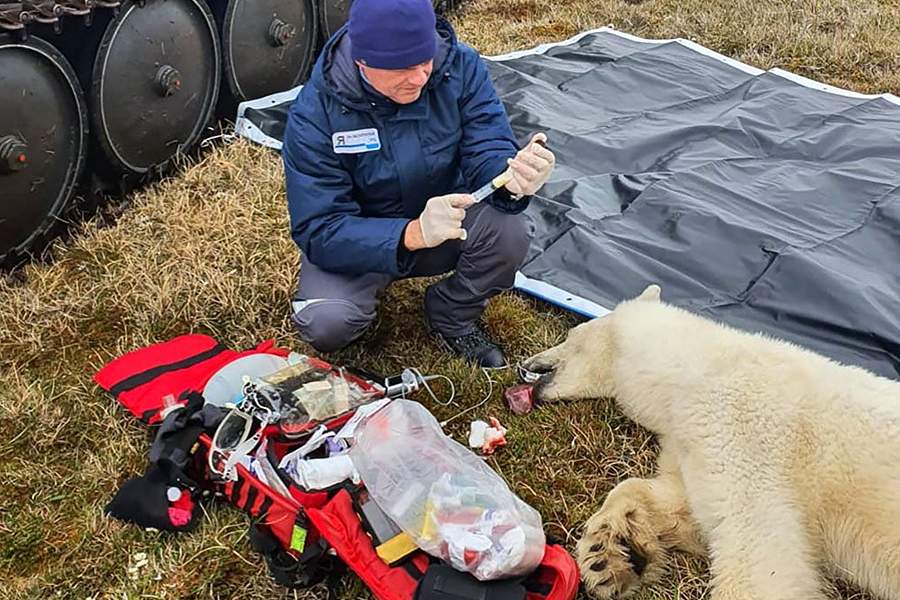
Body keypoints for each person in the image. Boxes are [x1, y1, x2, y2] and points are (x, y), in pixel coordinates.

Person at [282, 0, 555, 368]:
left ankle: (451, 313)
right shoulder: (314, 114)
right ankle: (362, 292)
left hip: (448, 221)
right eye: (401, 68)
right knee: (326, 323)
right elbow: (319, 227)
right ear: (362, 62)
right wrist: (410, 234)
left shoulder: (459, 67)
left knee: (511, 231)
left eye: (425, 60)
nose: (420, 77)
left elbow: (487, 142)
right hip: (362, 240)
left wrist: (512, 179)